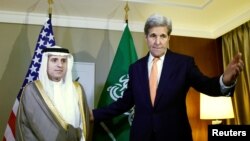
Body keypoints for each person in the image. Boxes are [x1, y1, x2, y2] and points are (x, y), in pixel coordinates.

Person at [91, 13, 244, 141]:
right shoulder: (135, 68)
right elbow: (124, 103)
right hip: (141, 136)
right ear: (146, 38)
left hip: (175, 136)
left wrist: (225, 79)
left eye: (163, 36)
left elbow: (207, 85)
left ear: (168, 38)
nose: (158, 42)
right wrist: (94, 114)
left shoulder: (184, 64)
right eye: (153, 36)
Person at [16, 46, 90, 141]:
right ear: (46, 63)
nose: (60, 65)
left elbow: (84, 123)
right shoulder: (33, 90)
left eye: (63, 61)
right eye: (54, 60)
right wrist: (70, 135)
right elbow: (32, 127)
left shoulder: (77, 89)